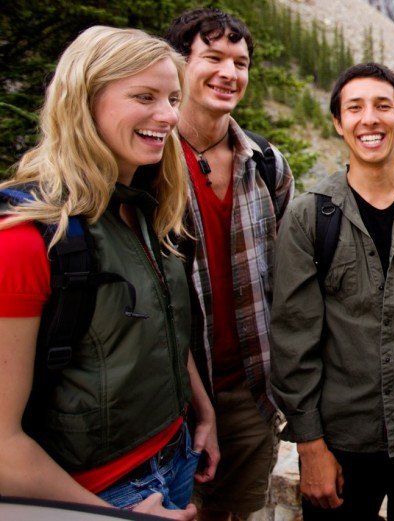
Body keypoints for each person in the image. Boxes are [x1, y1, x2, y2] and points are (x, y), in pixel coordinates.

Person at [0, 26, 218, 520]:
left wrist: (201, 412)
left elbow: (161, 321)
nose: (170, 116)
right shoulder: (25, 237)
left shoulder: (145, 208)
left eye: (173, 99)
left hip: (176, 452)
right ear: (84, 100)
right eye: (144, 97)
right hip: (98, 493)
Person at [270, 62, 394, 521]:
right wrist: (310, 445)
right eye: (354, 108)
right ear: (338, 123)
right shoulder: (309, 217)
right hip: (342, 441)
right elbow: (293, 338)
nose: (369, 119)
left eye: (382, 106)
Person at [164, 8, 294, 520]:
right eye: (213, 57)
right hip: (168, 400)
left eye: (240, 63)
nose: (229, 73)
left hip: (250, 394)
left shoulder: (266, 163)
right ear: (179, 65)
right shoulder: (147, 162)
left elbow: (286, 280)